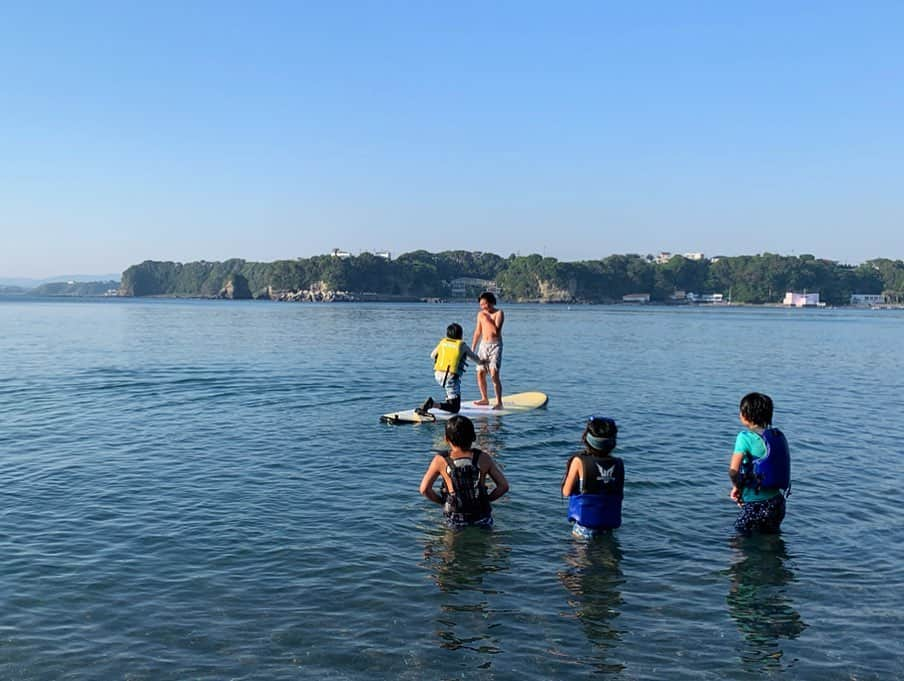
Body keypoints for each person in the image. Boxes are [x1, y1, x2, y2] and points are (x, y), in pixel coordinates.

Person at [419, 415, 510, 528]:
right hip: (481, 514)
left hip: (455, 516)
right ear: (473, 437)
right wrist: (487, 500)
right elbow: (503, 486)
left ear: (446, 439)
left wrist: (442, 502)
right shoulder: (483, 458)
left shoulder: (440, 460)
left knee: (451, 543)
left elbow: (424, 489)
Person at [728, 392, 791, 535]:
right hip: (777, 503)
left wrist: (736, 487)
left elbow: (733, 470)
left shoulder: (744, 437)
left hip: (755, 504)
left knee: (738, 542)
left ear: (746, 415)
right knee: (771, 540)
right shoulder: (777, 436)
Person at [561, 416, 625, 538]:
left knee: (579, 556)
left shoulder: (579, 461)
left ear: (587, 439)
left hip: (584, 527)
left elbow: (566, 491)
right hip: (608, 526)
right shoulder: (619, 463)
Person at [418, 323, 483, 415]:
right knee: (455, 408)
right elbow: (475, 359)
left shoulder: (443, 342)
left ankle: (448, 400)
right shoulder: (462, 345)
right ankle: (432, 404)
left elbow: (432, 355)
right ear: (460, 335)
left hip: (438, 374)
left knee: (452, 396)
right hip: (450, 377)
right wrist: (484, 362)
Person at [471, 291, 505, 409]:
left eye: (485, 304)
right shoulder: (480, 314)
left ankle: (499, 402)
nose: (483, 307)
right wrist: (473, 347)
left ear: (491, 302)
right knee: (480, 372)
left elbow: (496, 331)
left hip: (495, 345)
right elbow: (478, 331)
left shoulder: (499, 313)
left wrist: (488, 319)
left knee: (494, 373)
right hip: (483, 345)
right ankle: (484, 398)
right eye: (481, 305)